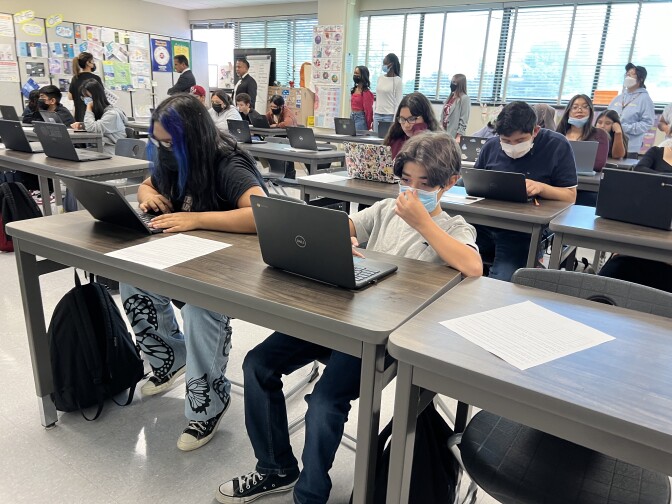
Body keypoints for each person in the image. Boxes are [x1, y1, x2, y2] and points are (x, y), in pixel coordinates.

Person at [216, 131, 482, 504]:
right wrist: (340, 237)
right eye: (405, 180)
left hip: (379, 337)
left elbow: (473, 266)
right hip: (343, 313)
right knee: (257, 364)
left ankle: (310, 495)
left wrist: (424, 222)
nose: (411, 190)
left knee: (324, 403)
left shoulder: (454, 227)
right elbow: (349, 226)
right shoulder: (388, 210)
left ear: (449, 184)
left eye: (425, 184)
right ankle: (276, 468)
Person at [120, 94, 268, 453]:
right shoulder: (171, 155)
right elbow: (148, 183)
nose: (164, 149)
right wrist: (146, 196)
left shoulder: (227, 162)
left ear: (192, 137)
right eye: (159, 142)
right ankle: (171, 358)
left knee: (200, 309)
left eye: (170, 142)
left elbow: (259, 213)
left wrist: (196, 219)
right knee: (132, 279)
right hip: (186, 256)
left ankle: (209, 404)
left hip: (230, 267)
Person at [474, 101, 577, 281]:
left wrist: (541, 188)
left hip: (523, 229)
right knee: (447, 260)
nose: (512, 146)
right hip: (484, 224)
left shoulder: (556, 145)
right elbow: (472, 182)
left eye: (520, 140)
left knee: (503, 279)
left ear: (535, 131)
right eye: (505, 141)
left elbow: (570, 196)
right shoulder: (491, 146)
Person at [598, 144, 672, 293]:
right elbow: (638, 170)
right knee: (613, 274)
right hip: (644, 234)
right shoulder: (657, 152)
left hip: (664, 262)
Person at [607, 63, 655, 157]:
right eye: (627, 74)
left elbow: (647, 123)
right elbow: (606, 116)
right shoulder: (618, 98)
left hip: (630, 146)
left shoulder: (645, 99)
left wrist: (624, 128)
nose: (627, 76)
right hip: (611, 143)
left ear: (640, 79)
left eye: (631, 74)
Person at [70, 80, 128, 155]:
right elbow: (97, 126)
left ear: (96, 97)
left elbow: (92, 128)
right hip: (101, 148)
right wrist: (83, 125)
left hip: (112, 152)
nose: (85, 100)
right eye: (83, 97)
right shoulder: (102, 112)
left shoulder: (112, 114)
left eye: (87, 97)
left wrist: (89, 107)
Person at [556, 94, 610, 171]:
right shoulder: (559, 134)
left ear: (590, 112)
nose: (579, 110)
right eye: (575, 107)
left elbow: (598, 165)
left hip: (586, 180)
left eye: (585, 107)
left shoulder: (600, 134)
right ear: (568, 112)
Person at [384, 91, 440, 158]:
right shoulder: (395, 139)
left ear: (426, 118)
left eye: (412, 119)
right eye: (402, 119)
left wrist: (420, 130)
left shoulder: (435, 142)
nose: (406, 125)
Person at [68, 51, 103, 122]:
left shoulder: (75, 78)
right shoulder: (96, 78)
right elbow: (102, 96)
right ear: (88, 63)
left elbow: (70, 97)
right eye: (92, 61)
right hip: (93, 115)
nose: (94, 63)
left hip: (79, 115)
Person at [373, 53, 402, 132]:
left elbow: (398, 102)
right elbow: (378, 98)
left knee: (386, 140)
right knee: (375, 140)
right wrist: (374, 113)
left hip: (389, 115)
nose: (383, 66)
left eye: (385, 64)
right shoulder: (380, 78)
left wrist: (395, 119)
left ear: (391, 64)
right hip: (377, 114)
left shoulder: (397, 80)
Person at [440, 73, 470, 141]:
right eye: (451, 81)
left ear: (460, 84)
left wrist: (459, 136)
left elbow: (464, 120)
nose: (451, 84)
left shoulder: (464, 98)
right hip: (443, 132)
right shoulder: (450, 97)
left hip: (453, 134)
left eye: (454, 82)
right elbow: (443, 116)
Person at [350, 65, 374, 131]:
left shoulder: (366, 93)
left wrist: (369, 125)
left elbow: (369, 111)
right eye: (354, 73)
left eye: (357, 73)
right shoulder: (354, 90)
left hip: (360, 119)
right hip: (352, 116)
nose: (355, 75)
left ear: (363, 75)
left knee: (358, 140)